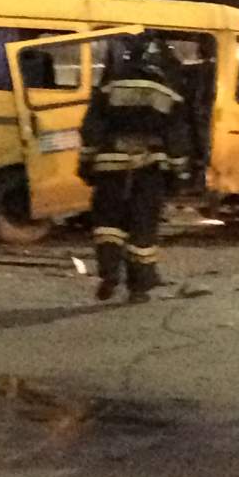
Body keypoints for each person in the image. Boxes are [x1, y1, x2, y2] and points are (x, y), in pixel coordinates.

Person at [78, 33, 191, 303]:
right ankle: (139, 288)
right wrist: (178, 173)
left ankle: (109, 274)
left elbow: (91, 128)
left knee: (108, 224)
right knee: (143, 228)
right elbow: (177, 136)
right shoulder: (167, 91)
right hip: (148, 171)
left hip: (110, 167)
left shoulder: (110, 86)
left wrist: (86, 162)